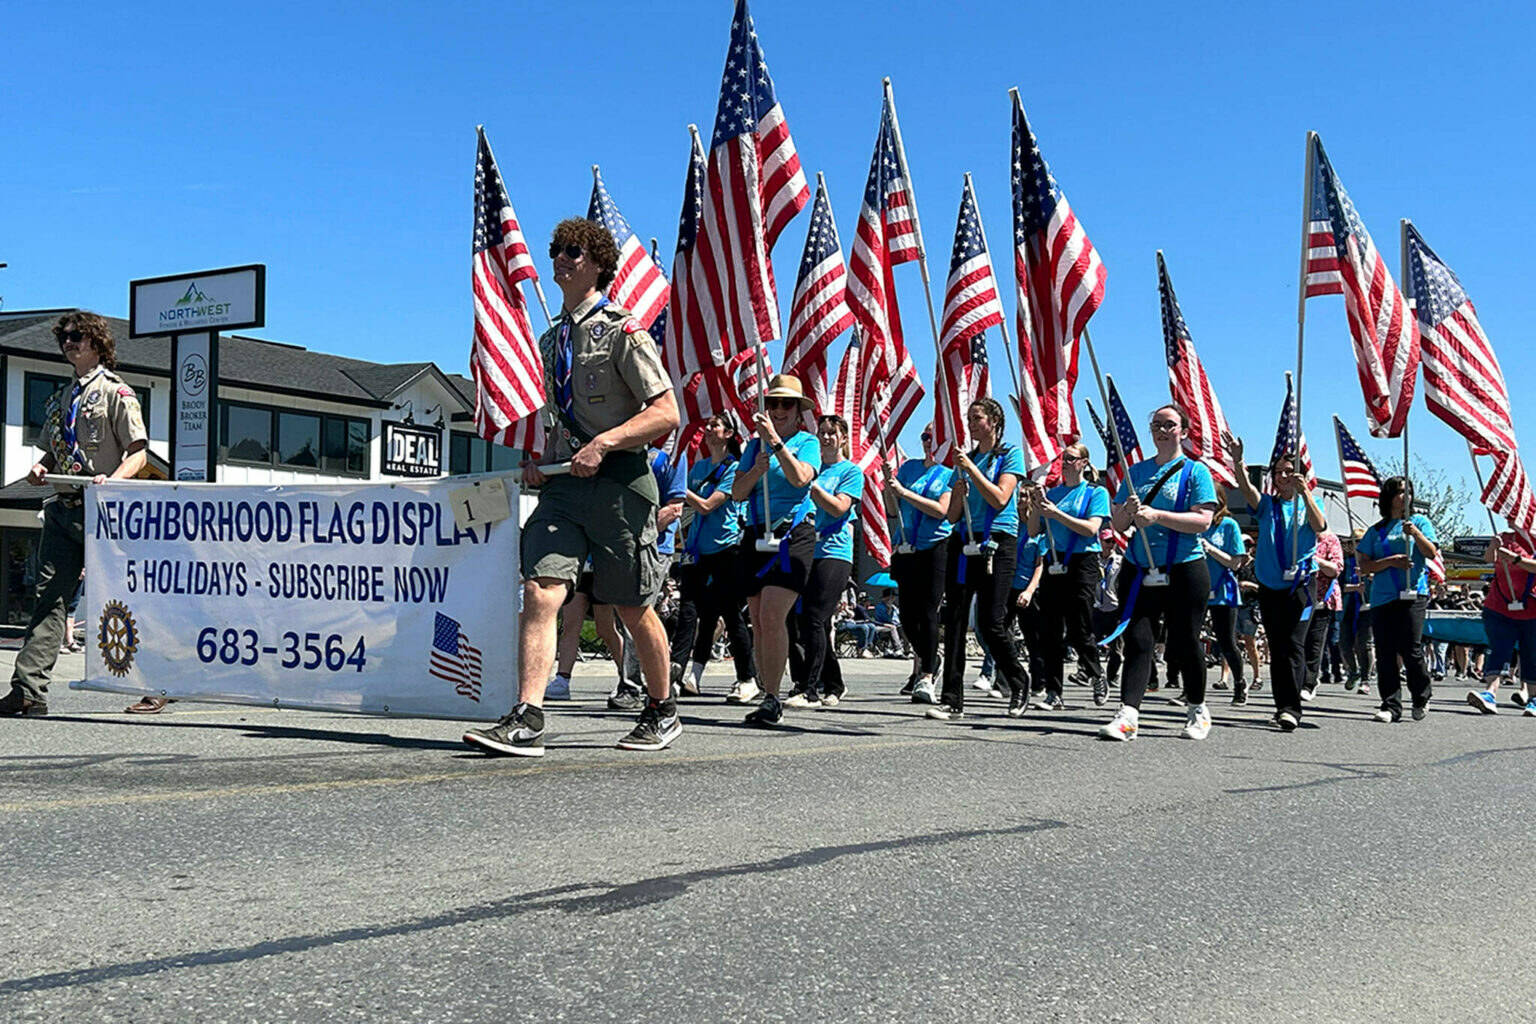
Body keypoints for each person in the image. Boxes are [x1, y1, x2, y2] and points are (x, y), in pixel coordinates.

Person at [463, 218, 680, 756]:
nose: (560, 258)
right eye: (556, 249)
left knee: (632, 606)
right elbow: (558, 422)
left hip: (621, 485)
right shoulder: (551, 338)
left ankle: (662, 707)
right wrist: (540, 461)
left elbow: (666, 412)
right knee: (540, 591)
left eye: (573, 251)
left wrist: (604, 444)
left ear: (598, 263)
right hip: (565, 489)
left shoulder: (623, 331)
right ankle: (528, 714)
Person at [2, 312, 148, 718]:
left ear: (97, 342)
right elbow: (57, 450)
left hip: (104, 513)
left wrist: (112, 482)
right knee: (49, 600)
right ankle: (29, 690)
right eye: (64, 337)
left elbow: (137, 453)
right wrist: (41, 466)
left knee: (134, 598)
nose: (69, 342)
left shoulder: (117, 393)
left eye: (77, 336)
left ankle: (159, 684)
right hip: (64, 510)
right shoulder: (64, 397)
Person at [1099, 404, 1217, 741]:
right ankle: (1128, 715)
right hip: (1140, 567)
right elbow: (1118, 523)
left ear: (1183, 430)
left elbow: (1203, 521)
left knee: (1184, 640)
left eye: (1169, 424)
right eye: (1156, 425)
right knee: (1138, 640)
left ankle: (1197, 707)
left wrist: (1158, 516)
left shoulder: (1195, 472)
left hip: (1184, 566)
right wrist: (1129, 513)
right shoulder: (1134, 472)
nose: (1162, 430)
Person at [1223, 432, 1327, 732]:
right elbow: (1245, 488)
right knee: (1278, 646)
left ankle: (1292, 708)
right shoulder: (1268, 505)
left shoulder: (1311, 502)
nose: (1283, 477)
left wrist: (1305, 493)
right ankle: (1283, 705)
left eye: (1289, 472)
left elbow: (1319, 526)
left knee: (1294, 644)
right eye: (1279, 473)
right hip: (1271, 586)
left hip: (1301, 586)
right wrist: (1239, 461)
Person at [732, 374, 819, 726]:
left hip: (791, 536)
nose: (779, 409)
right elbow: (737, 492)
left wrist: (777, 445)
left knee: (771, 614)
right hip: (756, 535)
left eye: (787, 404)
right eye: (774, 403)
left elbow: (801, 478)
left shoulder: (807, 442)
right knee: (758, 621)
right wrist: (756, 468)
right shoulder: (753, 447)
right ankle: (769, 695)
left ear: (798, 410)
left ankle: (775, 695)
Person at [932, 398, 1027, 720]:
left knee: (990, 622)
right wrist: (958, 491)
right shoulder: (966, 459)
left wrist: (973, 471)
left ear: (994, 421)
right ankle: (951, 698)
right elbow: (952, 515)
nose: (971, 424)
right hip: (964, 541)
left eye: (977, 418)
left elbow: (1001, 498)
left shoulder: (1008, 454)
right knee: (955, 619)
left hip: (996, 541)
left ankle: (1018, 680)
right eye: (969, 418)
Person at [673, 414, 758, 700]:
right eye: (707, 426)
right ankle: (682, 674)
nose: (708, 430)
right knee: (690, 613)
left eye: (715, 426)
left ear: (729, 433)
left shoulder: (734, 468)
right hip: (696, 550)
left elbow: (708, 506)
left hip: (726, 548)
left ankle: (747, 678)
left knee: (730, 614)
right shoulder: (698, 467)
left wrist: (680, 490)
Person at [785, 415, 863, 708]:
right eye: (822, 432)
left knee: (816, 618)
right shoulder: (811, 467)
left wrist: (812, 485)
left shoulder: (850, 472)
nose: (827, 437)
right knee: (799, 620)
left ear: (843, 438)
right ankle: (833, 682)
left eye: (833, 433)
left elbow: (840, 507)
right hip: (805, 550)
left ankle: (810, 689)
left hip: (834, 552)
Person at [1026, 442, 1109, 709]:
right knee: (1050, 629)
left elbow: (1090, 529)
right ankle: (1054, 691)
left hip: (1082, 561)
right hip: (1055, 559)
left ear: (1084, 462)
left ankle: (1096, 673)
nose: (1065, 463)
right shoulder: (1054, 492)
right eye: (1063, 458)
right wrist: (1038, 505)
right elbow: (1032, 530)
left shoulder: (1095, 492)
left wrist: (1057, 513)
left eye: (1071, 458)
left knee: (1079, 627)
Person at [1355, 476, 1440, 723]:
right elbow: (1364, 565)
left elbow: (1431, 552)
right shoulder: (1377, 530)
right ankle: (1390, 704)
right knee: (1385, 650)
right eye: (1400, 492)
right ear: (1389, 496)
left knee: (1411, 648)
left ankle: (1421, 695)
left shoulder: (1420, 522)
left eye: (1408, 492)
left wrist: (1415, 534)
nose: (1405, 497)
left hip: (1414, 593)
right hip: (1383, 597)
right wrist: (1391, 562)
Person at [883, 425, 953, 702]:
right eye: (924, 436)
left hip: (934, 545)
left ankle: (925, 675)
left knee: (927, 611)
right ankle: (930, 656)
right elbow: (892, 509)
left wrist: (904, 492)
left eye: (934, 437)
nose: (928, 442)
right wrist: (890, 486)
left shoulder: (948, 473)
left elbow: (942, 510)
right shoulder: (909, 467)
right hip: (905, 546)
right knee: (909, 617)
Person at [1199, 494, 1249, 705]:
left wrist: (1211, 549)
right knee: (1191, 640)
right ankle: (1192, 688)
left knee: (1227, 641)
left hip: (1222, 591)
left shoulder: (1229, 526)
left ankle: (1239, 682)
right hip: (1198, 589)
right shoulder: (1195, 523)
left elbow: (1235, 563)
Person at [1005, 519, 1047, 718]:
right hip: (1007, 587)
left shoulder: (1038, 532)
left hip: (1028, 590)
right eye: (1019, 497)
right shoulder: (1013, 526)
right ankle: (1005, 679)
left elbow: (1040, 565)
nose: (1021, 501)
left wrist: (1029, 590)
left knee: (1034, 639)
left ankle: (1039, 681)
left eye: (1025, 497)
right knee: (997, 632)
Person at [1299, 528, 1343, 702]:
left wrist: (1316, 560)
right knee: (1298, 641)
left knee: (1315, 643)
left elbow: (1335, 570)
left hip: (1322, 599)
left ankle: (1309, 683)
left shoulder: (1330, 540)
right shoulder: (1298, 537)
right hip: (1299, 598)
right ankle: (1299, 678)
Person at [1338, 530, 1372, 696]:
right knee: (1344, 644)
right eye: (1353, 542)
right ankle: (1353, 671)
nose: (1356, 545)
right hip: (1348, 608)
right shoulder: (1346, 563)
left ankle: (1366, 679)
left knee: (1363, 644)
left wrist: (1369, 576)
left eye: (1358, 542)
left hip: (1367, 608)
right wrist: (1354, 588)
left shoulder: (1370, 562)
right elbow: (1339, 586)